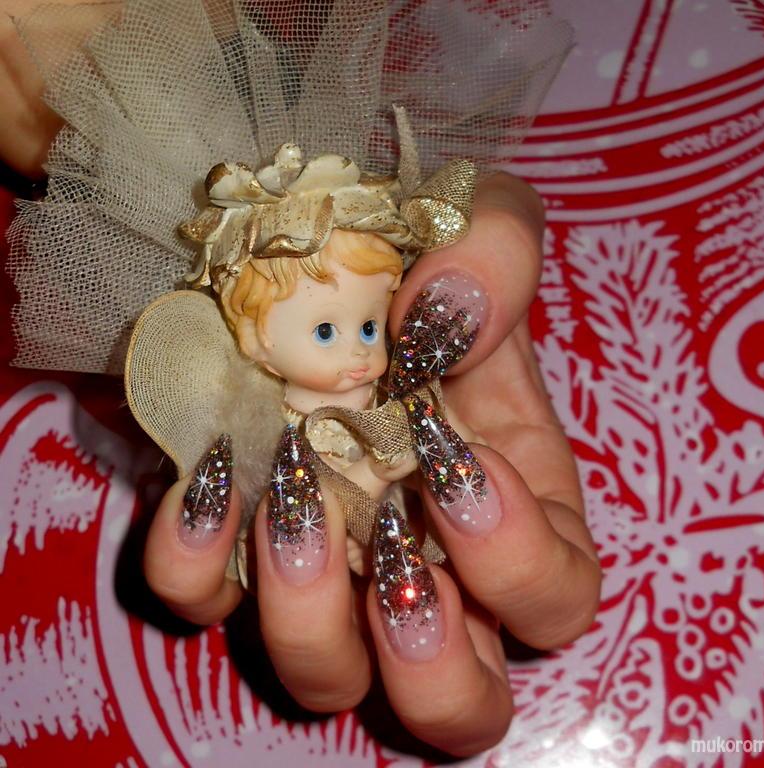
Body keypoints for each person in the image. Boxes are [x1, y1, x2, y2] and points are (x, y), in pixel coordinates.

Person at [2, 0, 599, 757]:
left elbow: (413, 438)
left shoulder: (395, 393)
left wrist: (422, 444)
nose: (359, 355)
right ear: (253, 340)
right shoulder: (272, 408)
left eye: (370, 328)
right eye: (324, 332)